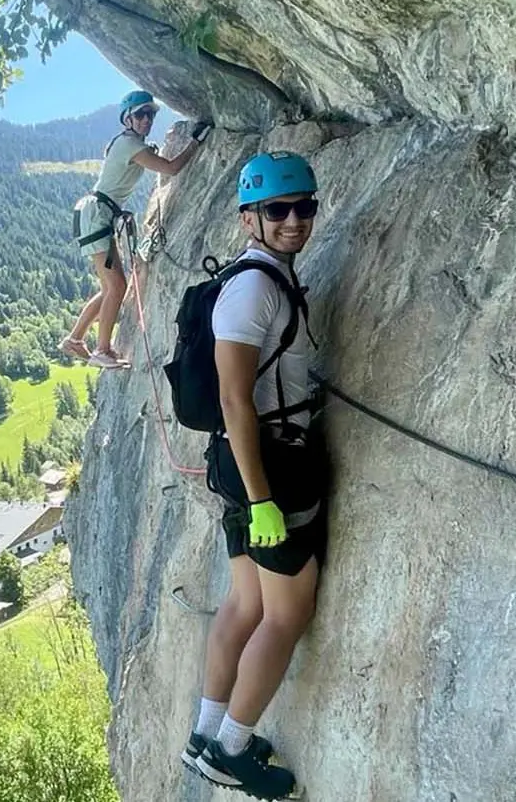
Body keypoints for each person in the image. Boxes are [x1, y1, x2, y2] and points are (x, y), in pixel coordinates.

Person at [183, 152, 330, 800]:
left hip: (242, 460)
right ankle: (232, 750)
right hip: (269, 465)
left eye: (305, 206)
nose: (294, 220)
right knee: (285, 614)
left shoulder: (264, 277)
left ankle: (204, 735)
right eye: (278, 209)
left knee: (245, 603)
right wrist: (263, 498)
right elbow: (235, 398)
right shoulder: (253, 289)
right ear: (250, 218)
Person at [61, 90, 208, 369]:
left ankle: (75, 339)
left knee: (110, 287)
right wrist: (195, 142)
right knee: (116, 286)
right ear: (127, 119)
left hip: (96, 213)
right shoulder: (129, 144)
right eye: (140, 115)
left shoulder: (129, 143)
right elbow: (170, 168)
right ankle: (102, 350)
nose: (146, 120)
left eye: (150, 114)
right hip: (97, 215)